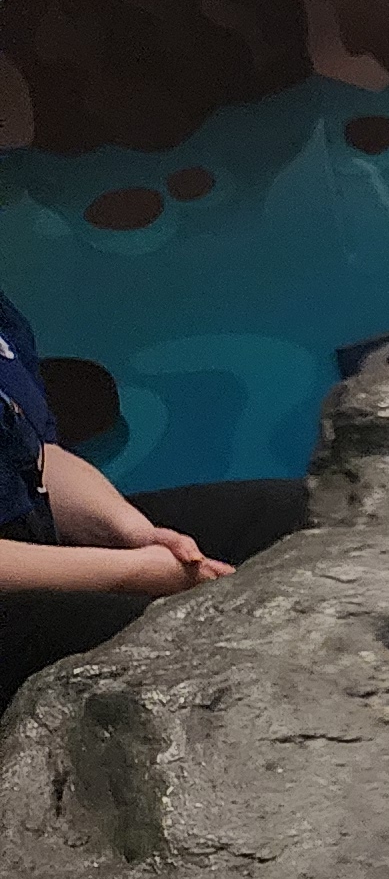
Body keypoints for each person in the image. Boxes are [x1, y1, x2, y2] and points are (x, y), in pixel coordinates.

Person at [0, 288, 310, 710]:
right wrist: (130, 574)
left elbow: (37, 455)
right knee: (184, 648)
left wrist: (138, 534)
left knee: (299, 514)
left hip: (34, 528)